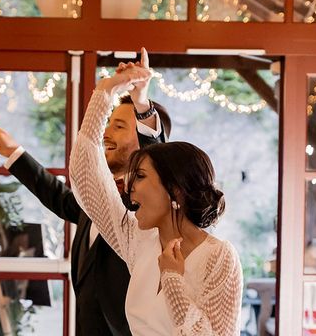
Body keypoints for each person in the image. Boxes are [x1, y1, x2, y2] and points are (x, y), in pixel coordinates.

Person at [0, 67, 171, 336]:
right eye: (108, 124)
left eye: (119, 126)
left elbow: (156, 153)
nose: (106, 133)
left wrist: (141, 100)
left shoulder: (150, 198)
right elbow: (61, 200)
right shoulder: (95, 199)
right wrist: (13, 152)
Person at [69, 49, 243, 335]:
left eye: (139, 177)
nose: (128, 186)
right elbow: (84, 172)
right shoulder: (138, 240)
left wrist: (173, 280)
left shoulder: (219, 257)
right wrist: (106, 89)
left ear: (174, 190)